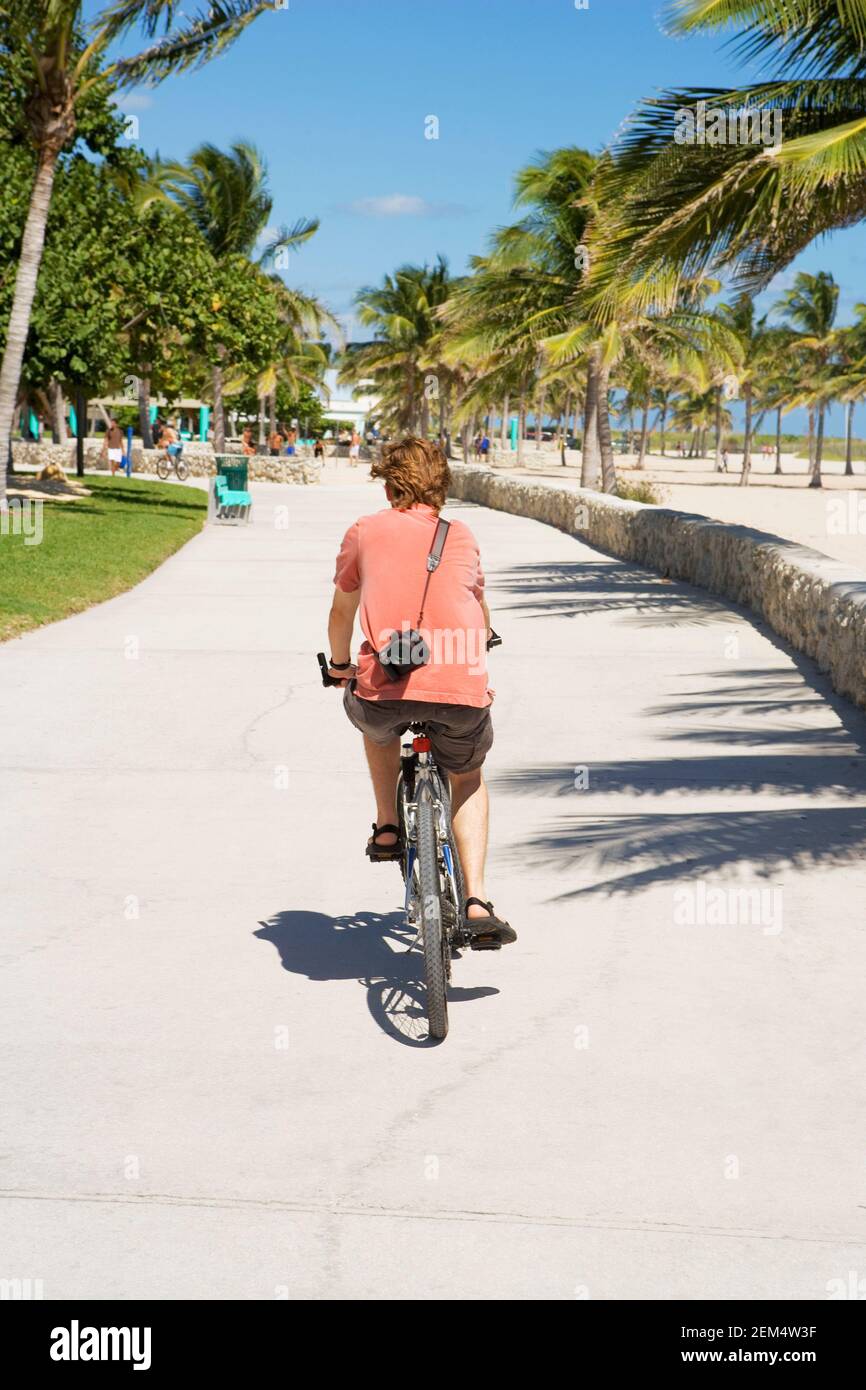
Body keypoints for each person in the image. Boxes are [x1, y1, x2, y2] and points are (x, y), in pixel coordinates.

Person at [324, 436, 515, 949]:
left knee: (374, 719)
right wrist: (482, 644)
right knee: (467, 775)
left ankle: (388, 825)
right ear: (442, 487)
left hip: (386, 684)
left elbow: (343, 612)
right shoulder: (463, 535)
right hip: (459, 684)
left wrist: (341, 666)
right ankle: (476, 901)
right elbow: (478, 606)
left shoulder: (365, 531)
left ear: (388, 485)